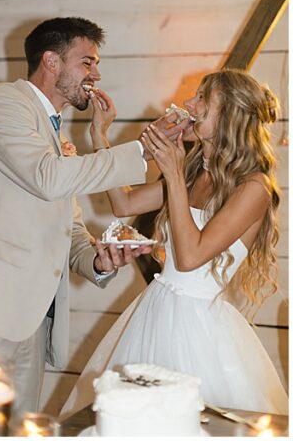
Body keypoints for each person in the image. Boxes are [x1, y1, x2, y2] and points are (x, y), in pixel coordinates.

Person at [0, 17, 190, 414]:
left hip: (33, 318)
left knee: (17, 429)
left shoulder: (57, 133)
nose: (96, 74)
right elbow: (47, 179)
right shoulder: (2, 102)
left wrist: (97, 259)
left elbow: (69, 224)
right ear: (51, 61)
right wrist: (143, 150)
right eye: (87, 62)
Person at [60, 69, 288, 417]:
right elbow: (124, 205)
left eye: (201, 99)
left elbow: (190, 257)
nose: (187, 104)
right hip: (155, 309)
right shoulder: (197, 172)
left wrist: (174, 172)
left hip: (198, 329)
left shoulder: (254, 187)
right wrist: (99, 135)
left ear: (229, 115)